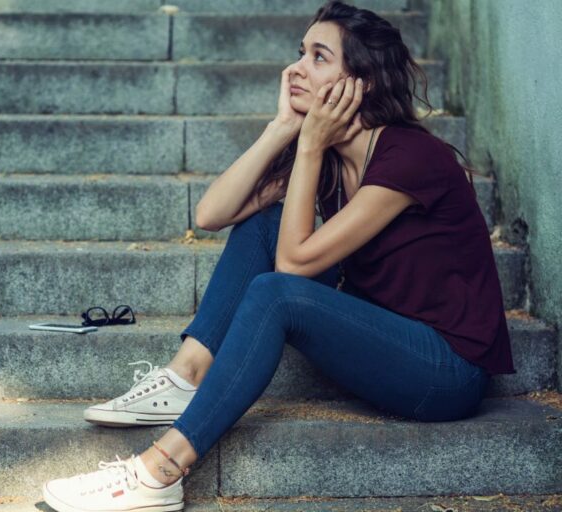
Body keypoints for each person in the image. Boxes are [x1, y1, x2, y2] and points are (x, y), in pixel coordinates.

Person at [41, 1, 516, 510]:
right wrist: (283, 128)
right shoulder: (332, 159)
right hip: (385, 338)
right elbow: (210, 214)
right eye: (299, 53)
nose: (294, 69)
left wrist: (309, 146)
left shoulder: (411, 158)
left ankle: (160, 471)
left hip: (446, 371)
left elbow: (291, 271)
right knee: (266, 222)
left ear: (363, 82)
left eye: (318, 57)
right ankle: (188, 376)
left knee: (276, 292)